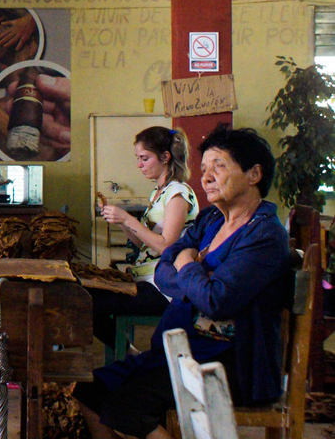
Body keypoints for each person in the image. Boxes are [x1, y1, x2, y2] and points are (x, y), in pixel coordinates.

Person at [75, 125, 293, 439]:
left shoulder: (264, 235)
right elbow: (165, 272)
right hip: (179, 352)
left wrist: (186, 263)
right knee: (88, 390)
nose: (206, 177)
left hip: (227, 364)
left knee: (124, 408)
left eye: (219, 166)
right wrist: (194, 275)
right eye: (204, 168)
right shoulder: (211, 220)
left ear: (254, 174)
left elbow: (217, 302)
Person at [92, 127, 198, 346]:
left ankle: (128, 354)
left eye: (144, 158)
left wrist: (128, 219)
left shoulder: (178, 193)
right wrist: (121, 221)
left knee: (88, 301)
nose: (139, 164)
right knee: (84, 295)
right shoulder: (158, 193)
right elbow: (144, 244)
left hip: (163, 287)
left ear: (165, 157)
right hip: (145, 277)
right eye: (138, 158)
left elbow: (166, 246)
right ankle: (128, 352)